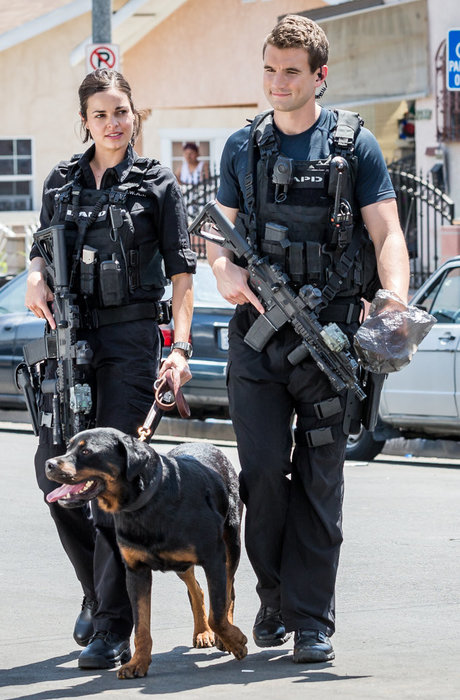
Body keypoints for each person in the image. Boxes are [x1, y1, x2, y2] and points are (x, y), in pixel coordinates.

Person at [206, 15, 410, 664]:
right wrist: (224, 269)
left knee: (321, 480)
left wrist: (393, 300)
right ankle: (273, 598)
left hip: (331, 339)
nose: (277, 82)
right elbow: (216, 237)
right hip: (258, 341)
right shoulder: (243, 147)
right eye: (269, 69)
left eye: (291, 71)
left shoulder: (355, 146)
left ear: (320, 75)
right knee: (264, 475)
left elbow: (388, 234)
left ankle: (313, 619)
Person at [25, 69, 196, 669]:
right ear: (85, 121)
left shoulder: (157, 183)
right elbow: (42, 248)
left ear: (134, 114)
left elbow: (181, 273)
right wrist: (35, 275)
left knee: (107, 478)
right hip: (70, 338)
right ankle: (95, 592)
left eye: (121, 111)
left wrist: (180, 348)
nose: (112, 123)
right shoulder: (59, 181)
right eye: (100, 114)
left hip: (130, 339)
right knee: (52, 473)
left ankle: (112, 626)